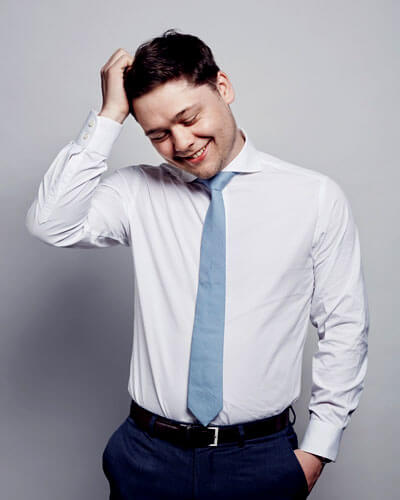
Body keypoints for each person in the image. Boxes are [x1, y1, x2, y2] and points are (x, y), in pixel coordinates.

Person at [25, 29, 369, 499]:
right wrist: (108, 117)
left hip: (260, 460)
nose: (182, 143)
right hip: (146, 457)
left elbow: (344, 327)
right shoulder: (136, 191)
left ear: (222, 87)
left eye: (188, 118)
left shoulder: (314, 198)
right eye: (159, 134)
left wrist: (317, 450)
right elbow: (50, 223)